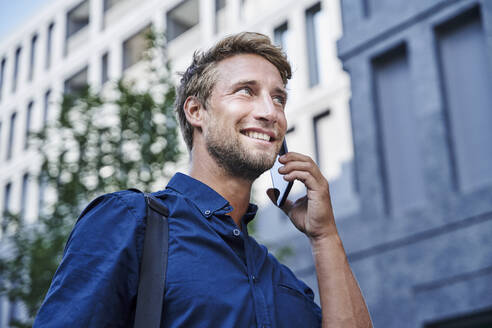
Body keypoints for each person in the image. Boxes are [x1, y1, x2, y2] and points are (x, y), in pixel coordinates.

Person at [34, 32, 372, 327]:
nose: (271, 113)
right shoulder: (131, 219)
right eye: (246, 91)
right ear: (196, 111)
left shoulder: (284, 284)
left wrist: (324, 236)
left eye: (278, 98)